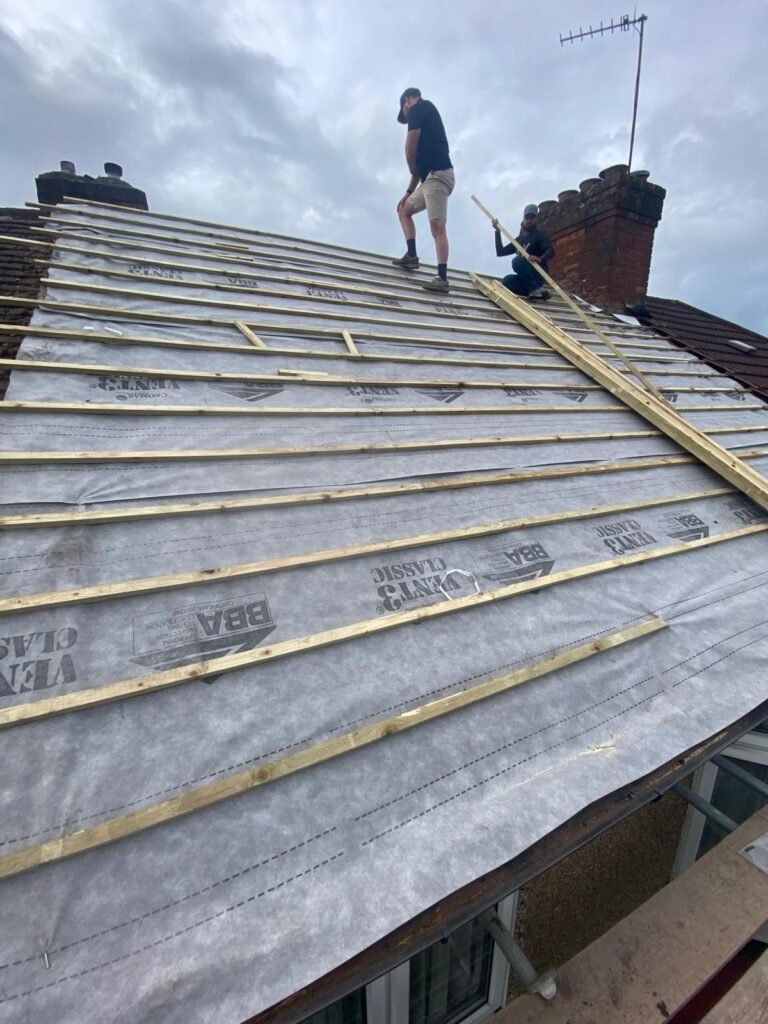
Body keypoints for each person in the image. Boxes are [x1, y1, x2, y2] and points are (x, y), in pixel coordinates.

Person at [391, 87, 455, 293]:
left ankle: (442, 278)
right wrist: (408, 193)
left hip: (439, 175)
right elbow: (417, 173)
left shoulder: (420, 108)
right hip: (428, 179)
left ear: (409, 99)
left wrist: (411, 166)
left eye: (405, 107)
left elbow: (409, 149)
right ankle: (411, 256)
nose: (406, 113)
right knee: (404, 210)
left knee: (437, 227)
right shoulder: (424, 128)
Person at [493, 204, 554, 300]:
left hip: (537, 273)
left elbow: (550, 251)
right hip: (524, 279)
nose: (529, 221)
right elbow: (500, 252)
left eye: (532, 218)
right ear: (523, 219)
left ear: (536, 220)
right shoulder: (519, 240)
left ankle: (534, 289)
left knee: (517, 260)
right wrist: (497, 232)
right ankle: (538, 292)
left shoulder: (540, 236)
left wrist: (540, 259)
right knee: (507, 281)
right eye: (527, 218)